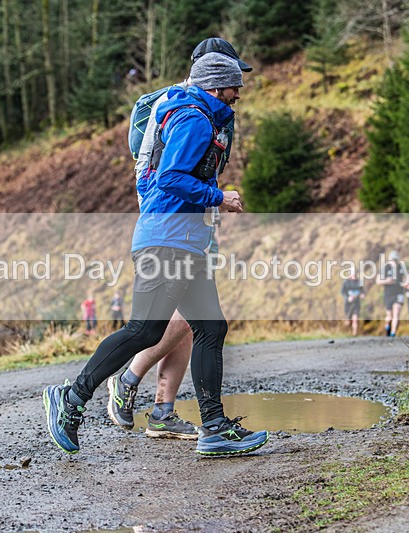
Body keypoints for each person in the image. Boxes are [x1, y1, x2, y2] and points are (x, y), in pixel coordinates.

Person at [43, 52, 268, 456]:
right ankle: (71, 398)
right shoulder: (194, 119)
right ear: (217, 86)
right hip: (167, 240)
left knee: (211, 328)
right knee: (144, 330)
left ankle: (214, 428)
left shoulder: (204, 117)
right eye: (235, 85)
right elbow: (171, 178)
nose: (239, 93)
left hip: (186, 241)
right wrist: (219, 196)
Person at [109, 37, 253, 441]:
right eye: (232, 76)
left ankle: (162, 410)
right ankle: (126, 378)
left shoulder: (208, 107)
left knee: (196, 321)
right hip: (172, 220)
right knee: (165, 321)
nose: (238, 87)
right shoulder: (182, 106)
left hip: (193, 216)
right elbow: (161, 171)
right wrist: (211, 200)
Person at [376, 251, 409, 337]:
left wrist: (407, 284)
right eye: (393, 260)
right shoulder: (386, 267)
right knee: (389, 316)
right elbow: (378, 281)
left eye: (396, 260)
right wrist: (387, 281)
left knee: (396, 313)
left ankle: (393, 332)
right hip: (388, 294)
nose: (394, 262)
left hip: (399, 293)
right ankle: (387, 325)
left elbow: (407, 278)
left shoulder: (401, 267)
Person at [340, 267, 366, 336]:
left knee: (355, 319)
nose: (354, 275)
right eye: (352, 273)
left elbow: (362, 291)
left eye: (354, 273)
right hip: (348, 304)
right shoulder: (346, 282)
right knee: (348, 321)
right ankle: (344, 332)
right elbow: (342, 292)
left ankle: (355, 334)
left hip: (356, 303)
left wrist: (362, 295)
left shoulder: (359, 282)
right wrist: (348, 297)